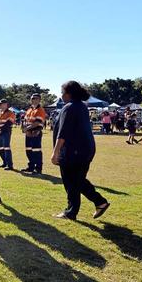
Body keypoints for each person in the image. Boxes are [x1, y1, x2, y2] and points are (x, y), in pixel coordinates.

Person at [51, 81, 110, 220]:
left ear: (69, 94)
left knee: (71, 181)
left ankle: (71, 212)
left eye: (62, 92)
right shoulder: (82, 106)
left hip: (73, 151)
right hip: (85, 150)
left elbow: (63, 132)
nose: (61, 95)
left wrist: (55, 152)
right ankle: (100, 202)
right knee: (78, 180)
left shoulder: (69, 107)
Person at [21, 93, 46, 174]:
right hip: (29, 133)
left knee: (36, 151)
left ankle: (38, 169)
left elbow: (37, 122)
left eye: (35, 98)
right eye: (32, 98)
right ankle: (31, 167)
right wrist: (24, 128)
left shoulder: (40, 110)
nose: (33, 100)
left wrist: (27, 129)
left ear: (39, 100)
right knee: (28, 150)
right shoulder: (29, 109)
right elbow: (25, 120)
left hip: (36, 133)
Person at [0, 99, 15, 170]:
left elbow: (8, 124)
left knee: (6, 148)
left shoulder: (10, 113)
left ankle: (10, 165)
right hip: (0, 132)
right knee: (0, 148)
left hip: (6, 132)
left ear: (6, 105)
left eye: (2, 104)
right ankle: (5, 162)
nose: (0, 105)